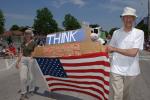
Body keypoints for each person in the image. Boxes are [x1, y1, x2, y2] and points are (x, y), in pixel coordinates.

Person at [107, 7, 144, 100]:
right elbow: (110, 48)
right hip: (116, 69)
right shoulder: (116, 33)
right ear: (122, 19)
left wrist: (115, 49)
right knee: (118, 95)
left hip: (131, 70)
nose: (128, 19)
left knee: (126, 96)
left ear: (134, 19)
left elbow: (133, 53)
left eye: (130, 17)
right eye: (126, 17)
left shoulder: (139, 33)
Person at [16, 29, 37, 100]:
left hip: (30, 59)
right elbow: (21, 53)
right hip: (23, 60)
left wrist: (32, 57)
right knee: (23, 77)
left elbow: (35, 52)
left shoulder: (34, 43)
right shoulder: (23, 43)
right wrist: (17, 62)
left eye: (28, 33)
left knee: (31, 76)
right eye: (26, 33)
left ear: (31, 35)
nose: (27, 34)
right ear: (24, 35)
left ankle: (31, 90)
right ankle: (23, 93)